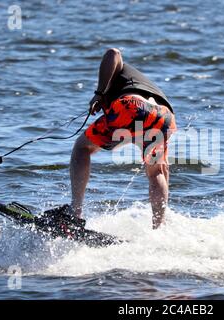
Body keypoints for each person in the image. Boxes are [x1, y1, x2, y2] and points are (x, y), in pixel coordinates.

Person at [53, 48, 176, 230]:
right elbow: (164, 172)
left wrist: (99, 93)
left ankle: (75, 212)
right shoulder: (140, 83)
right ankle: (159, 228)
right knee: (157, 171)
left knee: (81, 148)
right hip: (163, 116)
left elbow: (113, 53)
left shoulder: (119, 70)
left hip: (133, 106)